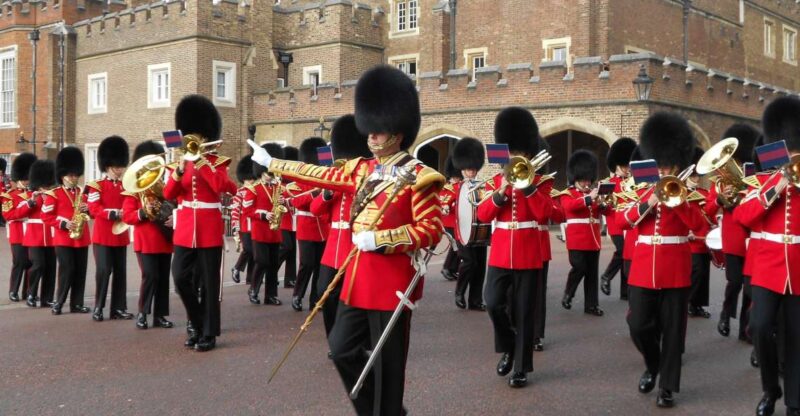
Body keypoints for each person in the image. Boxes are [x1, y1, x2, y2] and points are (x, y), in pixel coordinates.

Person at [251, 65, 444, 416]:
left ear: (398, 132)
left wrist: (382, 239)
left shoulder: (421, 177)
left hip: (392, 284)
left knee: (388, 367)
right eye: (369, 129)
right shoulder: (360, 169)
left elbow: (431, 231)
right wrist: (273, 162)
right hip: (358, 279)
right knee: (340, 349)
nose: (371, 135)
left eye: (378, 130)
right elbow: (319, 173)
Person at [623, 112, 704, 408]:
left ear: (677, 165)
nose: (664, 171)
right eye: (660, 165)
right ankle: (653, 365)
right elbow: (623, 220)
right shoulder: (639, 190)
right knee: (638, 325)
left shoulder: (688, 194)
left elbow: (700, 226)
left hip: (675, 269)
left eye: (669, 166)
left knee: (672, 331)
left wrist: (679, 200)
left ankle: (667, 387)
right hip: (644, 268)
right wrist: (649, 201)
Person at [476, 107, 552, 388]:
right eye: (512, 152)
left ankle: (521, 367)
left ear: (530, 155)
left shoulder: (542, 182)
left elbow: (546, 214)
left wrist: (528, 186)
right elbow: (484, 216)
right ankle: (508, 346)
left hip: (528, 254)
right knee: (493, 302)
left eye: (521, 152)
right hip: (500, 252)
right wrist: (501, 191)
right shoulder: (496, 182)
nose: (516, 157)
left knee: (523, 311)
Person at [736, 96, 800, 416]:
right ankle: (769, 388)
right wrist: (777, 185)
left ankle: (794, 400)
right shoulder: (765, 180)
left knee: (796, 336)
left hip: (798, 267)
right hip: (767, 267)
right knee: (760, 327)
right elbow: (743, 216)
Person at [164, 95, 237, 352]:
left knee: (208, 282)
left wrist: (203, 162)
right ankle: (195, 321)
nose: (193, 141)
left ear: (206, 138)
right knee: (180, 277)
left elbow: (225, 188)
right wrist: (179, 172)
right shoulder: (179, 163)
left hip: (208, 228)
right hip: (185, 229)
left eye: (198, 136)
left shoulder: (217, 162)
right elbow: (169, 194)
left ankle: (208, 332)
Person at [310, 114, 372, 337]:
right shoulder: (334, 175)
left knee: (356, 296)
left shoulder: (367, 176)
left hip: (355, 244)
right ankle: (334, 337)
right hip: (333, 247)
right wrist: (327, 194)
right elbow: (315, 209)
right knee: (325, 293)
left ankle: (356, 338)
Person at [705, 123, 760, 340]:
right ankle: (726, 314)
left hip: (752, 239)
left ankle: (745, 330)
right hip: (734, 237)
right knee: (735, 281)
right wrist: (720, 198)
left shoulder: (754, 178)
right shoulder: (720, 182)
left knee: (749, 288)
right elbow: (708, 210)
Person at [121, 141, 175, 330]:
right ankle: (143, 313)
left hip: (164, 238)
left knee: (163, 278)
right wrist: (144, 212)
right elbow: (127, 216)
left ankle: (160, 315)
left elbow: (173, 205)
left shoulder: (164, 187)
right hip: (146, 241)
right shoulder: (134, 190)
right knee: (150, 276)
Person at [88, 136, 133, 322]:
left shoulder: (126, 186)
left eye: (121, 167)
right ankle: (98, 307)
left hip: (120, 235)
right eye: (116, 167)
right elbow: (93, 208)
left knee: (120, 273)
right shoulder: (96, 186)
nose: (119, 170)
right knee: (104, 271)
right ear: (107, 166)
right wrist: (111, 213)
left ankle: (118, 308)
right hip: (103, 235)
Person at [42, 147, 92, 316]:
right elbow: (46, 216)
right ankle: (59, 302)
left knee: (80, 271)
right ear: (62, 175)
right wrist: (64, 224)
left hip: (81, 237)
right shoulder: (54, 194)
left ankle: (77, 304)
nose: (74, 178)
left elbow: (90, 213)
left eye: (76, 175)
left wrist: (88, 209)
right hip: (63, 238)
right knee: (67, 270)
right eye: (70, 175)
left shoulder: (82, 193)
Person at [560, 150, 609, 317]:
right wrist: (589, 198)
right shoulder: (568, 194)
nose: (587, 182)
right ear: (576, 178)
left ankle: (591, 305)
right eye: (583, 179)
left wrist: (603, 203)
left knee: (592, 274)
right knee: (579, 267)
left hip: (593, 239)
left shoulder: (593, 195)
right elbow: (570, 207)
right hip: (576, 240)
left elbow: (605, 212)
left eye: (588, 179)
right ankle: (569, 293)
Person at [289, 137, 330, 311]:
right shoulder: (297, 182)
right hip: (306, 226)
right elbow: (296, 202)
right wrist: (315, 193)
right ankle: (297, 295)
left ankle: (315, 299)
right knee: (306, 263)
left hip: (322, 228)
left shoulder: (324, 178)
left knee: (320, 266)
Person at [245, 143, 284, 306]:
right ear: (261, 172)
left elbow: (282, 204)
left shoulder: (277, 187)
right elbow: (247, 211)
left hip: (274, 232)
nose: (271, 176)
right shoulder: (254, 189)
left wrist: (283, 203)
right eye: (268, 173)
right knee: (261, 261)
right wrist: (262, 214)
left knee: (273, 265)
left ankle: (271, 295)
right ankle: (253, 289)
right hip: (260, 231)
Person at [452, 137, 488, 311]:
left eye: (473, 169)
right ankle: (459, 292)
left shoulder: (484, 185)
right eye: (467, 169)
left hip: (480, 232)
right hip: (463, 231)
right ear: (462, 169)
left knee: (480, 266)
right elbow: (445, 202)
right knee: (469, 262)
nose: (470, 172)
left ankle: (475, 300)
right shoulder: (455, 187)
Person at [600, 137, 636, 297]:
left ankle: (624, 291)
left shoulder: (634, 182)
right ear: (616, 166)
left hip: (631, 222)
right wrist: (603, 205)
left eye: (628, 165)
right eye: (623, 166)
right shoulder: (608, 183)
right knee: (622, 251)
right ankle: (607, 276)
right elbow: (604, 208)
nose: (627, 169)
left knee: (628, 253)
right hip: (615, 223)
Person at [19, 160, 57, 308]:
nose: (46, 187)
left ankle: (47, 298)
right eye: (44, 185)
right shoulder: (29, 196)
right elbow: (18, 212)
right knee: (38, 265)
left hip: (51, 236)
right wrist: (32, 201)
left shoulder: (53, 195)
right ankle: (31, 293)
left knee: (50, 268)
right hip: (35, 237)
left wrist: (49, 200)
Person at [685, 147, 715, 319]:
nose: (696, 179)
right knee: (696, 274)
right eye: (693, 176)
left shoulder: (703, 193)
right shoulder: (681, 194)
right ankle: (690, 302)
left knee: (704, 275)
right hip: (691, 239)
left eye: (697, 176)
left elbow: (710, 213)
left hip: (704, 238)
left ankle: (698, 305)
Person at [3, 153, 36, 302]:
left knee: (31, 262)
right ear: (18, 179)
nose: (26, 181)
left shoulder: (33, 193)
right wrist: (28, 206)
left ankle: (28, 292)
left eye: (28, 178)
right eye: (24, 178)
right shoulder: (9, 196)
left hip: (32, 232)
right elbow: (9, 215)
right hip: (17, 233)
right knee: (19, 262)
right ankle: (13, 290)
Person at [231, 155, 257, 285]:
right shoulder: (240, 193)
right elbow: (235, 211)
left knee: (254, 253)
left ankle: (250, 278)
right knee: (248, 250)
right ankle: (236, 268)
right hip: (244, 227)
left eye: (252, 178)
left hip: (256, 226)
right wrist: (235, 228)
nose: (251, 181)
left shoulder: (257, 191)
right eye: (249, 178)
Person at [277, 146, 299, 288]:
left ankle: (290, 278)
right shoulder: (279, 184)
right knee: (286, 247)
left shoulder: (294, 184)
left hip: (293, 220)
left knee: (292, 251)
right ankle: (272, 269)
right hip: (283, 221)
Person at [440, 157, 461, 281]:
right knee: (456, 245)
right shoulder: (449, 187)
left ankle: (453, 268)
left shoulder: (461, 185)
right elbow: (444, 201)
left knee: (459, 246)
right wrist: (447, 206)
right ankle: (447, 267)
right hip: (450, 221)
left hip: (459, 221)